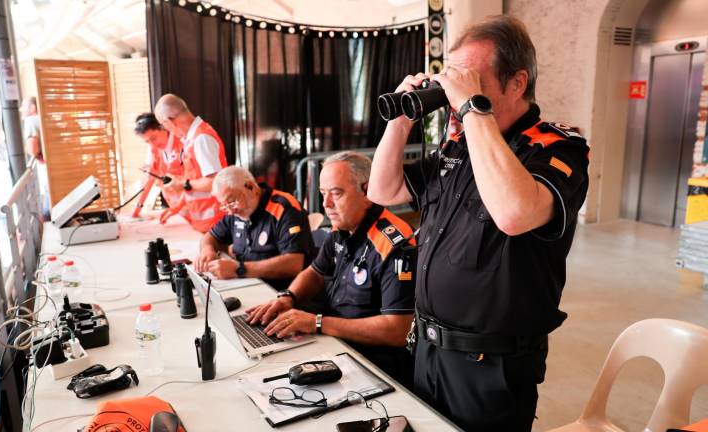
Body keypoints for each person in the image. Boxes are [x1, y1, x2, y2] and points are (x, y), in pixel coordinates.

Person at [369, 15, 590, 432]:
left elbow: (513, 213)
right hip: (427, 351)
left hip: (489, 369)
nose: (456, 92)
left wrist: (472, 110)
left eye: (470, 78)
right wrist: (400, 121)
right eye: (453, 78)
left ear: (517, 83)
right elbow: (383, 190)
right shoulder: (461, 144)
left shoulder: (557, 149)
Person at [246, 152, 417, 386]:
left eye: (336, 194)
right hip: (331, 344)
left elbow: (396, 331)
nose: (326, 204)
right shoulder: (342, 227)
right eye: (323, 194)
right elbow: (315, 273)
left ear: (367, 192)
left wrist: (316, 323)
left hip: (371, 364)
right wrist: (288, 297)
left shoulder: (395, 245)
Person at [196, 166, 315, 291]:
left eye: (231, 202)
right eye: (224, 205)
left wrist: (239, 269)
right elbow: (210, 237)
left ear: (251, 187)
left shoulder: (284, 208)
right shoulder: (235, 212)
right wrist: (207, 250)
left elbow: (294, 264)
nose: (230, 211)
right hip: (248, 285)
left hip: (283, 291)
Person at [153, 94, 227, 232]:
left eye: (163, 125)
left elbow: (214, 182)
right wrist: (177, 207)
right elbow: (194, 182)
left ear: (169, 121)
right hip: (204, 224)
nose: (167, 130)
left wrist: (182, 184)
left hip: (215, 224)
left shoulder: (201, 139)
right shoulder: (191, 139)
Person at [131, 113, 187, 221]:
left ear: (163, 127)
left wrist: (177, 207)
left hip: (193, 206)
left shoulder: (183, 143)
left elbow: (192, 181)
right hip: (176, 210)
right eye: (147, 142)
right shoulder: (154, 149)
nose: (152, 144)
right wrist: (137, 211)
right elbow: (150, 178)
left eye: (154, 138)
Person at [21, 96, 50, 219]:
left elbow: (33, 148)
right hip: (57, 166)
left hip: (47, 169)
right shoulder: (45, 119)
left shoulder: (31, 120)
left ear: (33, 108)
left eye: (24, 106)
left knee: (47, 212)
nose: (20, 109)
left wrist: (35, 154)